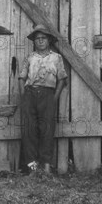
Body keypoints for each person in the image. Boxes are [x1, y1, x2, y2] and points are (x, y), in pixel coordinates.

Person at [18, 25, 67, 174]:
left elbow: (62, 80)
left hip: (47, 95)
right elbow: (22, 78)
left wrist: (54, 98)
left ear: (49, 40)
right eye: (37, 39)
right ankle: (32, 168)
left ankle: (46, 167)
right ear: (34, 41)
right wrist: (24, 96)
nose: (40, 41)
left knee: (47, 130)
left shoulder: (56, 58)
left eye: (43, 38)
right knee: (29, 130)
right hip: (30, 94)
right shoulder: (30, 58)